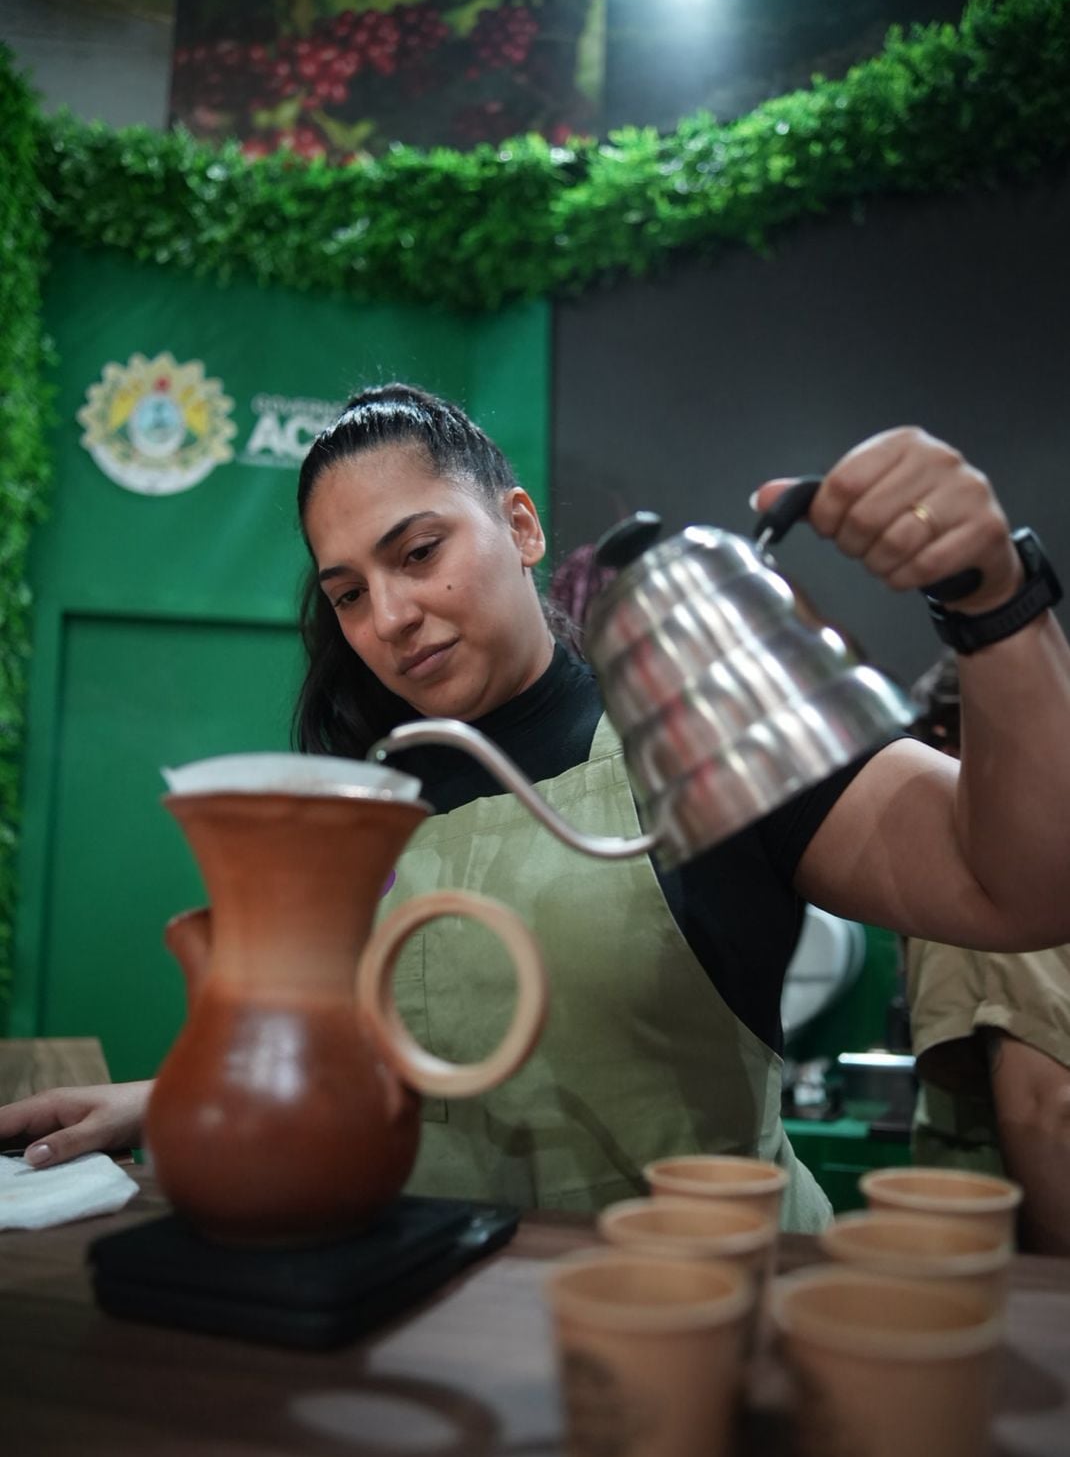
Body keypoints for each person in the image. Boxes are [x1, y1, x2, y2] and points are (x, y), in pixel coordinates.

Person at [4, 385, 1070, 1230]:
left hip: (697, 1318)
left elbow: (1016, 885)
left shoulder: (691, 734)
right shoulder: (371, 793)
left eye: (417, 553)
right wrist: (164, 1096)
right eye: (347, 593)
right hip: (426, 1328)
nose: (390, 616)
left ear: (517, 524)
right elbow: (388, 1040)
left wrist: (990, 596)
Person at [905, 653, 1070, 1254]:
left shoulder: (995, 873)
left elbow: (1047, 1108)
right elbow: (1045, 1106)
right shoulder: (1015, 870)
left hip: (987, 1241)